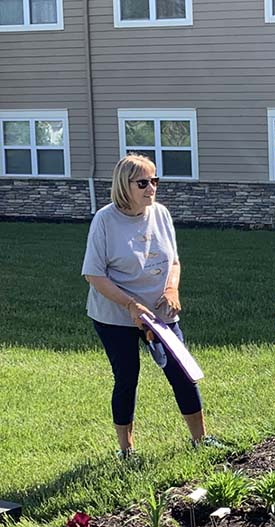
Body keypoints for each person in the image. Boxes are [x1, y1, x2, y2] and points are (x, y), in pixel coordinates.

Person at [82, 154, 219, 459]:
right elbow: (94, 275)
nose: (151, 188)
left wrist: (171, 288)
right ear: (124, 185)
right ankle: (126, 451)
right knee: (127, 377)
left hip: (160, 313)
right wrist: (130, 304)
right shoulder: (105, 220)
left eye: (154, 181)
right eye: (143, 182)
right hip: (116, 315)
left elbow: (173, 261)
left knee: (182, 372)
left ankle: (201, 440)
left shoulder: (161, 214)